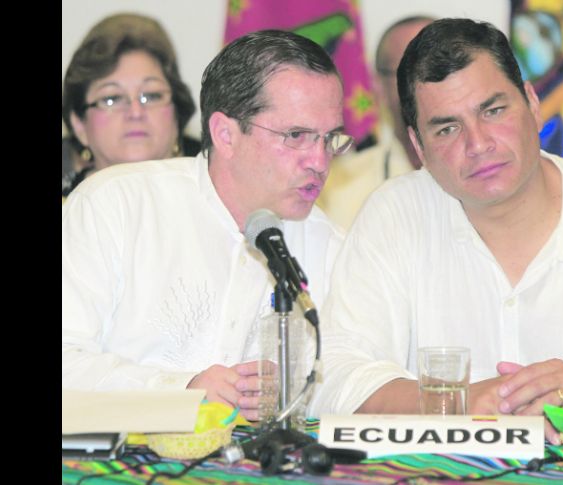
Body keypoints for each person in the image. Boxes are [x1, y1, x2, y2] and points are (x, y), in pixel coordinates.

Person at [308, 19, 563, 444]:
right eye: (447, 128)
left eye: (493, 111)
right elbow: (331, 374)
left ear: (533, 105)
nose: (478, 144)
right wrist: (450, 402)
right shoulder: (393, 215)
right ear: (418, 147)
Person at [62, 30, 353, 421]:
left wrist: (290, 396)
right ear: (225, 134)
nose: (319, 161)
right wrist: (181, 392)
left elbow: (342, 383)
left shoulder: (329, 246)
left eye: (330, 138)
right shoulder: (116, 205)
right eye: (297, 136)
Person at [62, 13, 200, 198]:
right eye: (112, 98)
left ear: (177, 112)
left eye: (151, 96)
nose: (135, 112)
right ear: (79, 124)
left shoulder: (219, 200)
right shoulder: (69, 212)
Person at [316, 16, 434, 230]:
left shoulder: (491, 166)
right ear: (378, 85)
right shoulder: (340, 188)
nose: (430, 84)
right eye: (410, 72)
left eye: (443, 69)